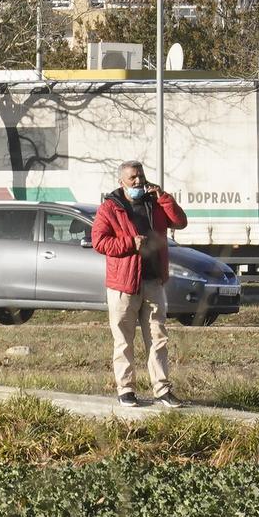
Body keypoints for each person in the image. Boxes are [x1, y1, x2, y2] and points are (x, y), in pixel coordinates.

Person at [91, 160, 189, 408]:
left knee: (158, 337)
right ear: (121, 181)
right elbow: (100, 242)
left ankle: (162, 390)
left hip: (153, 280)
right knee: (124, 339)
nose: (138, 181)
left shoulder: (154, 203)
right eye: (132, 178)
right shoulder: (110, 208)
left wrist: (164, 198)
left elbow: (180, 221)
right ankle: (126, 390)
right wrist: (129, 243)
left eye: (141, 176)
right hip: (123, 284)